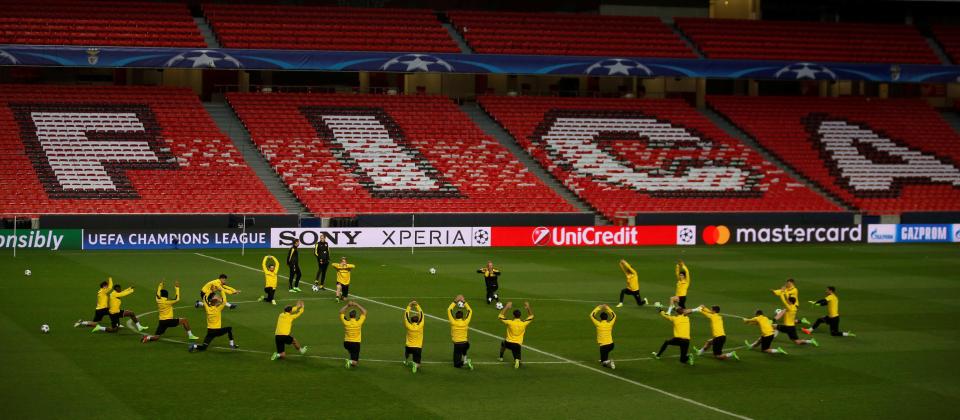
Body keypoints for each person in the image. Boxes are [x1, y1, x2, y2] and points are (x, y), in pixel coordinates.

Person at [498, 301, 534, 368]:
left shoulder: (510, 322)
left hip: (508, 343)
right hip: (517, 344)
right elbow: (531, 316)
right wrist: (528, 307)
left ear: (513, 315)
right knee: (517, 355)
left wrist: (507, 307)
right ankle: (517, 360)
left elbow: (500, 316)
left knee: (503, 343)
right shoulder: (523, 323)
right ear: (520, 316)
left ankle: (501, 357)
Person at [447, 295, 474, 370]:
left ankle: (465, 362)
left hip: (457, 344)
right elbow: (470, 310)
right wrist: (463, 301)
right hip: (466, 343)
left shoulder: (453, 322)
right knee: (464, 348)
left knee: (456, 364)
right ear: (462, 317)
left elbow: (449, 310)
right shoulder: (466, 322)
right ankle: (465, 358)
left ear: (455, 316)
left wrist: (455, 301)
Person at [340, 299, 367, 368]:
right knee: (355, 362)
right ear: (355, 316)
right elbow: (364, 312)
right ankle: (350, 361)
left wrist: (347, 305)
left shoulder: (346, 322)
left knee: (353, 354)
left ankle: (352, 360)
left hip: (346, 343)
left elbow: (341, 312)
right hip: (355, 343)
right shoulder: (358, 323)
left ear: (349, 316)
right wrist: (356, 305)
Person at [590, 304, 617, 369]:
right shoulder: (610, 324)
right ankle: (605, 360)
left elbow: (592, 315)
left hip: (604, 346)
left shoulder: (598, 324)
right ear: (607, 318)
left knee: (603, 363)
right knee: (603, 358)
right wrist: (607, 308)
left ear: (600, 318)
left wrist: (599, 307)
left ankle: (610, 362)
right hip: (611, 344)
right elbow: (614, 316)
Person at [403, 300, 425, 373]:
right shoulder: (420, 325)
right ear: (418, 320)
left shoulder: (408, 325)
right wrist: (417, 305)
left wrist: (409, 306)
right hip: (418, 347)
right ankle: (415, 365)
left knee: (407, 353)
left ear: (411, 321)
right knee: (418, 363)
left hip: (409, 345)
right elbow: (422, 314)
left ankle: (406, 361)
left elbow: (406, 315)